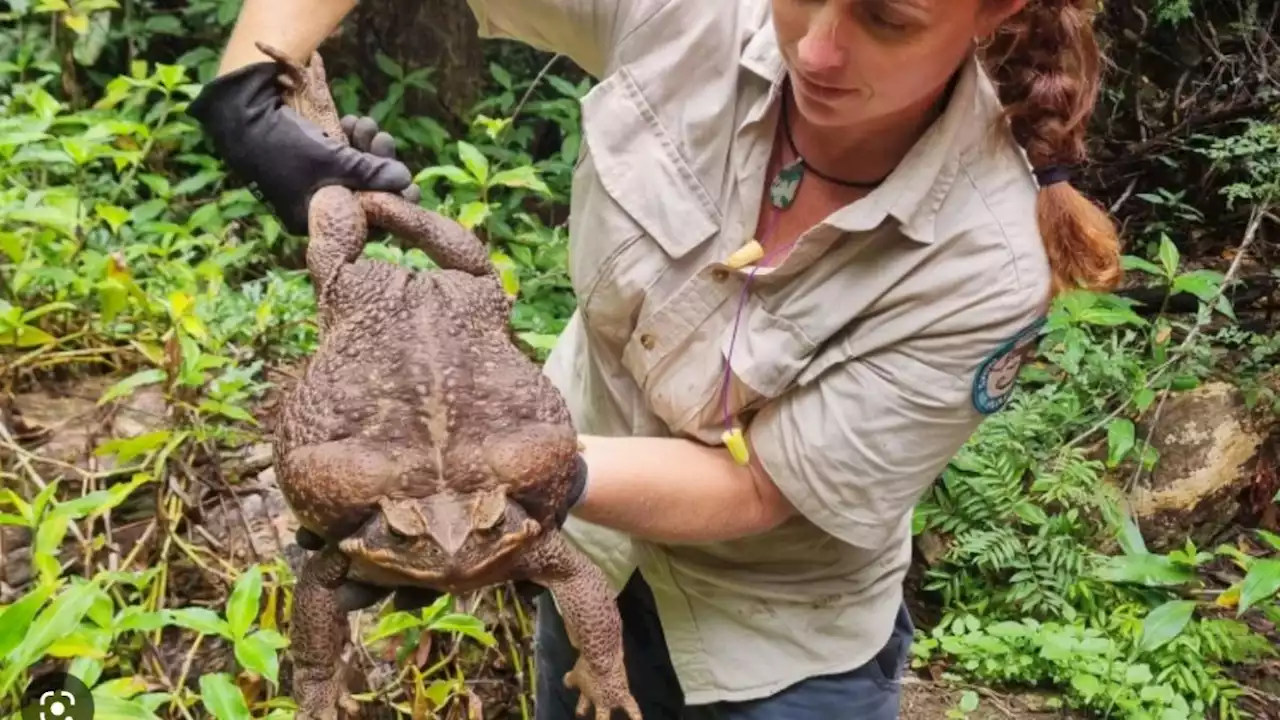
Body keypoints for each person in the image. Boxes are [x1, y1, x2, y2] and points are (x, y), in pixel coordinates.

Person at [188, 0, 1123, 718]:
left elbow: (762, 490)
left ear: (995, 10)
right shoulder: (696, 16)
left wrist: (510, 472)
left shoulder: (987, 263)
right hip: (583, 559)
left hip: (774, 651)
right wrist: (249, 101)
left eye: (886, 18)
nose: (819, 49)